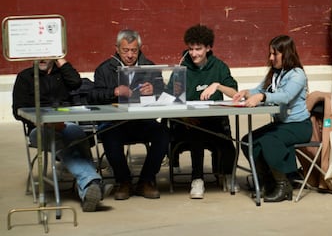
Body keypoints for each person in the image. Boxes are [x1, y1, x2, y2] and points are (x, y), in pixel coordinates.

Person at [12, 58, 110, 212]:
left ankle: (89, 189)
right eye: (39, 55)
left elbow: (76, 82)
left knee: (77, 133)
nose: (42, 59)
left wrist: (60, 59)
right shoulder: (25, 77)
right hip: (38, 129)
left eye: (47, 54)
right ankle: (92, 182)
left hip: (66, 124)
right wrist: (43, 122)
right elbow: (17, 111)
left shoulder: (62, 75)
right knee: (58, 139)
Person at [88, 29, 169, 200]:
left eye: (134, 50)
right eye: (126, 50)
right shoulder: (104, 69)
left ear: (140, 48)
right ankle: (123, 181)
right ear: (117, 48)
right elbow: (93, 96)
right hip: (115, 123)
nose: (130, 55)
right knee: (109, 135)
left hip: (142, 121)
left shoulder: (150, 67)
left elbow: (164, 92)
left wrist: (154, 90)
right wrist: (114, 91)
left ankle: (146, 180)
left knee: (162, 133)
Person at [233, 35, 312, 203]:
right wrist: (246, 92)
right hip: (281, 125)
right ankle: (267, 181)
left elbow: (285, 96)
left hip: (298, 126)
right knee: (248, 141)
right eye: (270, 53)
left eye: (274, 54)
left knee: (269, 141)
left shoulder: (297, 75)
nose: (271, 58)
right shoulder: (275, 73)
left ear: (286, 53)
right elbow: (259, 89)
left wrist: (261, 97)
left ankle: (283, 185)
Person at [170, 24, 238, 199]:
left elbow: (235, 94)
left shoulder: (219, 67)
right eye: (191, 49)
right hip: (188, 124)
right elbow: (170, 100)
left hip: (215, 122)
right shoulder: (181, 69)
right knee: (196, 138)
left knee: (228, 143)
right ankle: (197, 179)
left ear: (208, 48)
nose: (194, 54)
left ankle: (228, 175)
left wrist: (217, 85)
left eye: (198, 49)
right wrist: (185, 117)